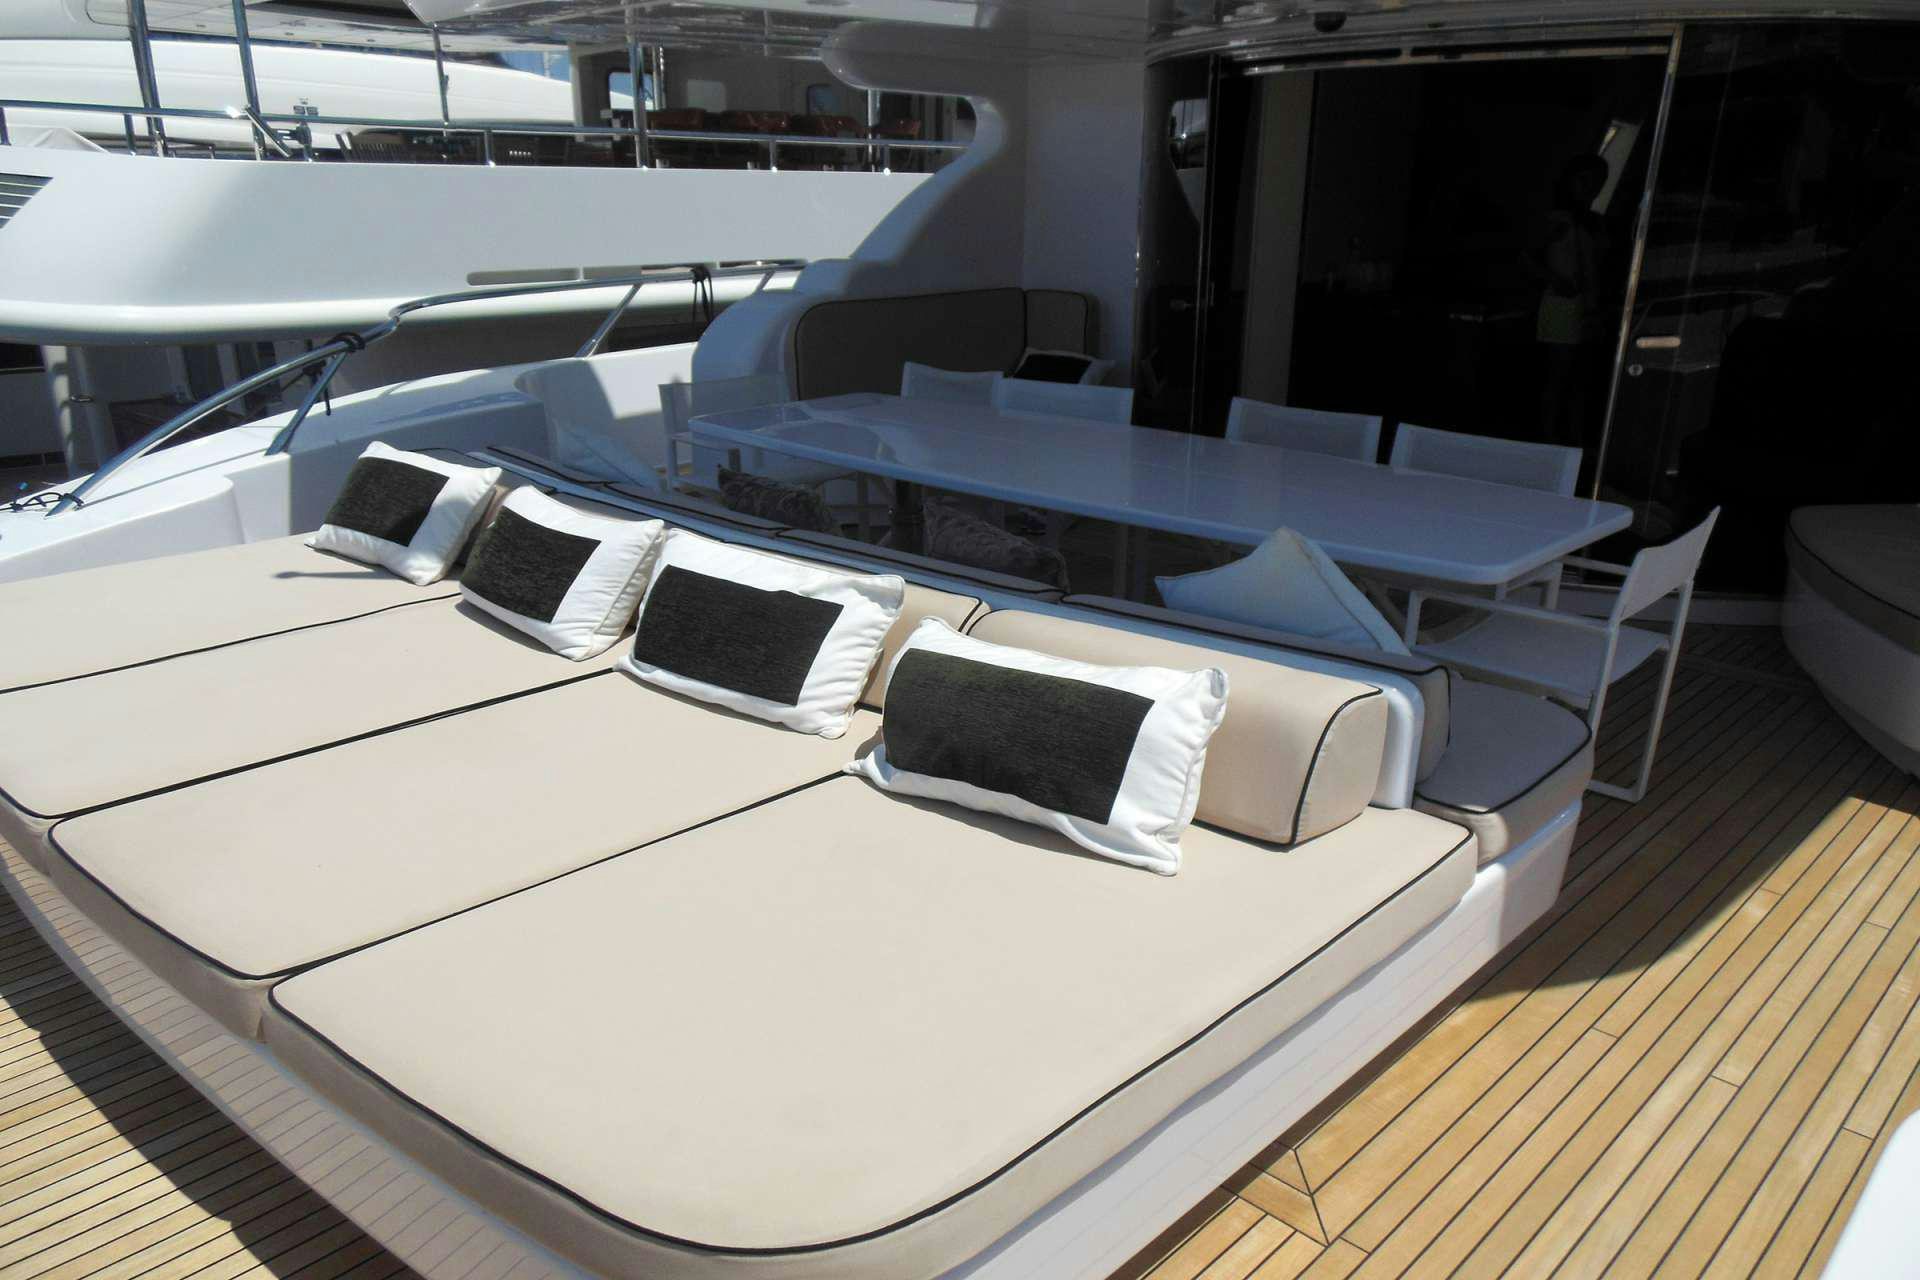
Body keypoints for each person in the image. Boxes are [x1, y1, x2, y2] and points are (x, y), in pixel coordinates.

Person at [1531, 153, 1612, 449]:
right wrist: (1556, 280)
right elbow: (1527, 257)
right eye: (1585, 180)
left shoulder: (1595, 222)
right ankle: (1548, 438)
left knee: (1581, 378)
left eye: (1597, 182)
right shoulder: (1558, 219)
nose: (1591, 187)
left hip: (1589, 307)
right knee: (1559, 375)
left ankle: (1574, 439)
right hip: (1563, 305)